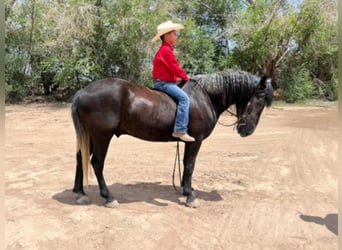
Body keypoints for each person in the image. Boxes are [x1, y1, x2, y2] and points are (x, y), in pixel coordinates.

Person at [151, 21, 195, 142]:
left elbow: (169, 70)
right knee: (184, 99)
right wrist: (185, 77)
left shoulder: (166, 49)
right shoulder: (165, 50)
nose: (176, 36)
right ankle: (180, 130)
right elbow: (174, 66)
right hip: (163, 83)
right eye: (174, 34)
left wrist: (177, 78)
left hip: (165, 81)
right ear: (166, 36)